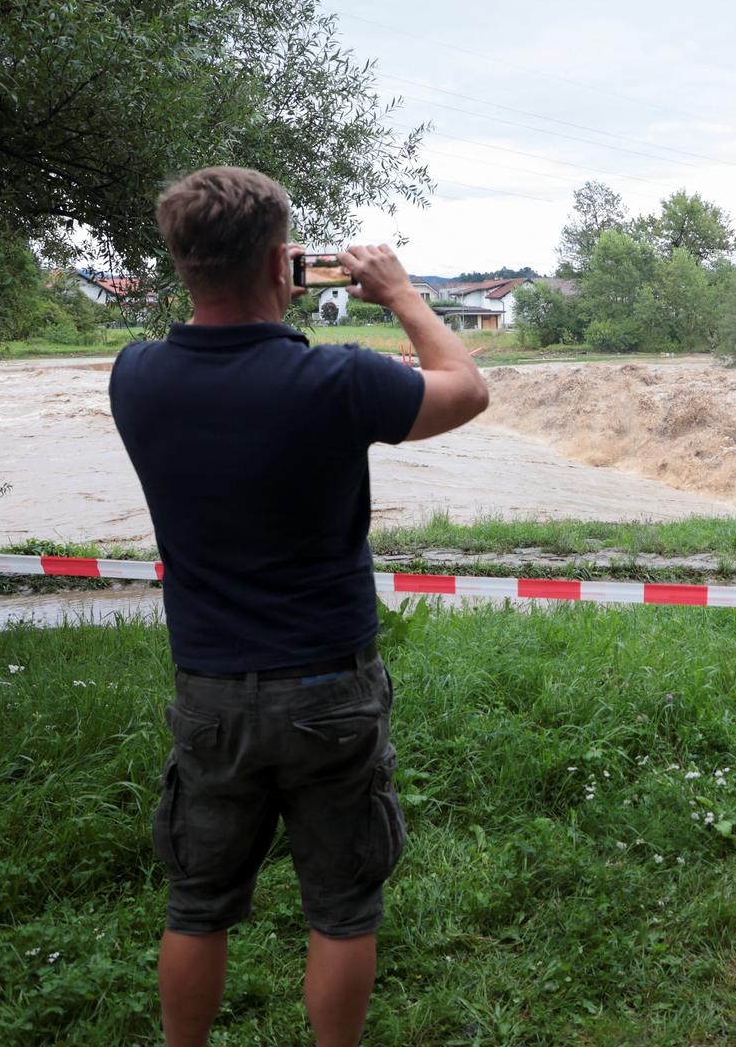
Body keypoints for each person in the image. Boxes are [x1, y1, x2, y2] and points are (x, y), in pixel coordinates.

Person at [109, 165, 488, 1047]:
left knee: (197, 903)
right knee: (344, 907)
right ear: (284, 264)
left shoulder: (136, 378)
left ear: (182, 262)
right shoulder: (338, 381)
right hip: (330, 685)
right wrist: (398, 294)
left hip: (210, 691)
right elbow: (464, 387)